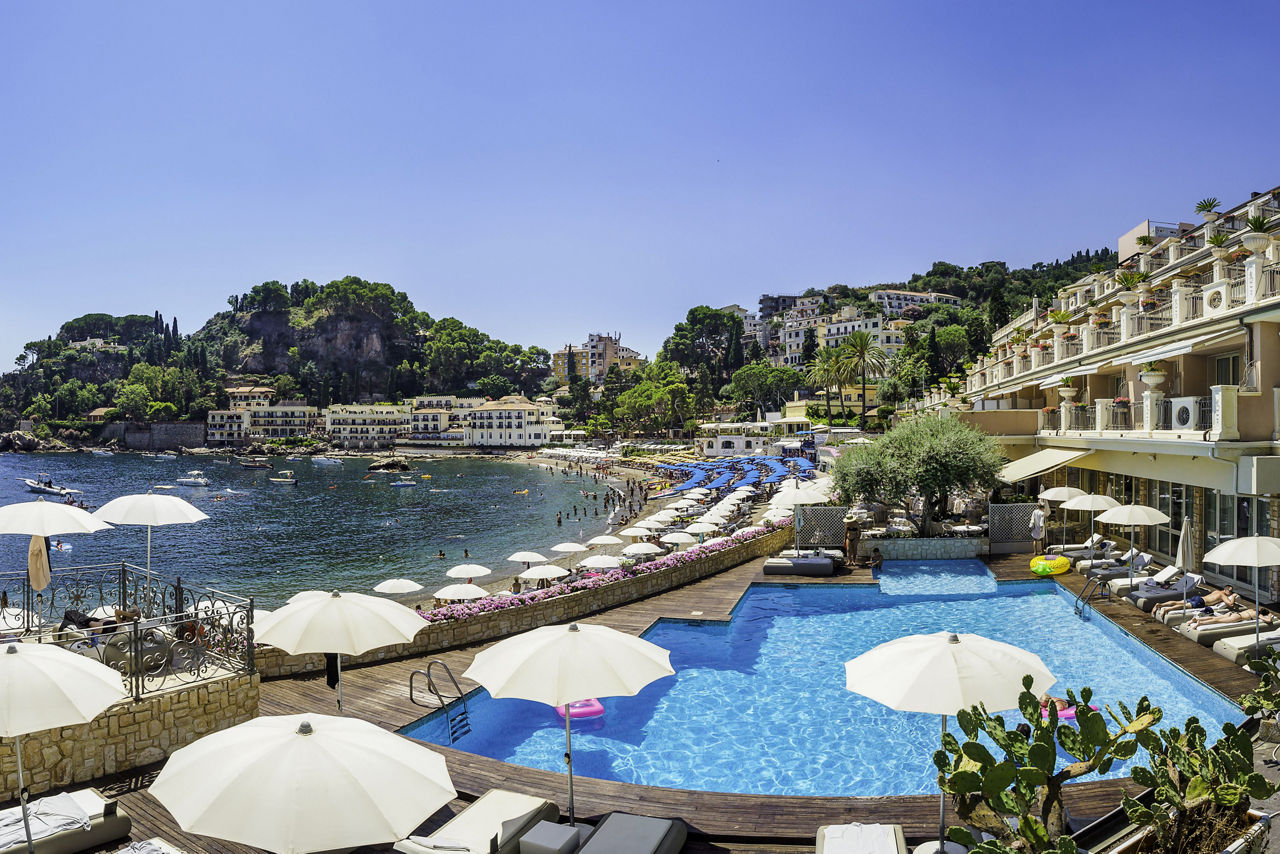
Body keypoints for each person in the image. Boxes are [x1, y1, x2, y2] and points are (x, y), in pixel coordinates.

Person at [1154, 585, 1236, 619]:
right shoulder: (1223, 595)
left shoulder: (1216, 591)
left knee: (1177, 602)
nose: (1231, 593)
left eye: (1232, 592)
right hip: (1200, 602)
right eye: (1230, 591)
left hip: (1198, 598)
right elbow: (1231, 605)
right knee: (1184, 606)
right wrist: (1233, 597)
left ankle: (1160, 605)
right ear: (1225, 589)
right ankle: (1166, 609)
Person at [1185, 608, 1274, 631]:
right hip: (1237, 617)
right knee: (1217, 621)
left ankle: (1196, 619)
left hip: (1233, 613)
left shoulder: (1252, 610)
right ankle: (1199, 623)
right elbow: (1268, 621)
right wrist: (1269, 616)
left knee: (1214, 617)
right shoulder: (1258, 614)